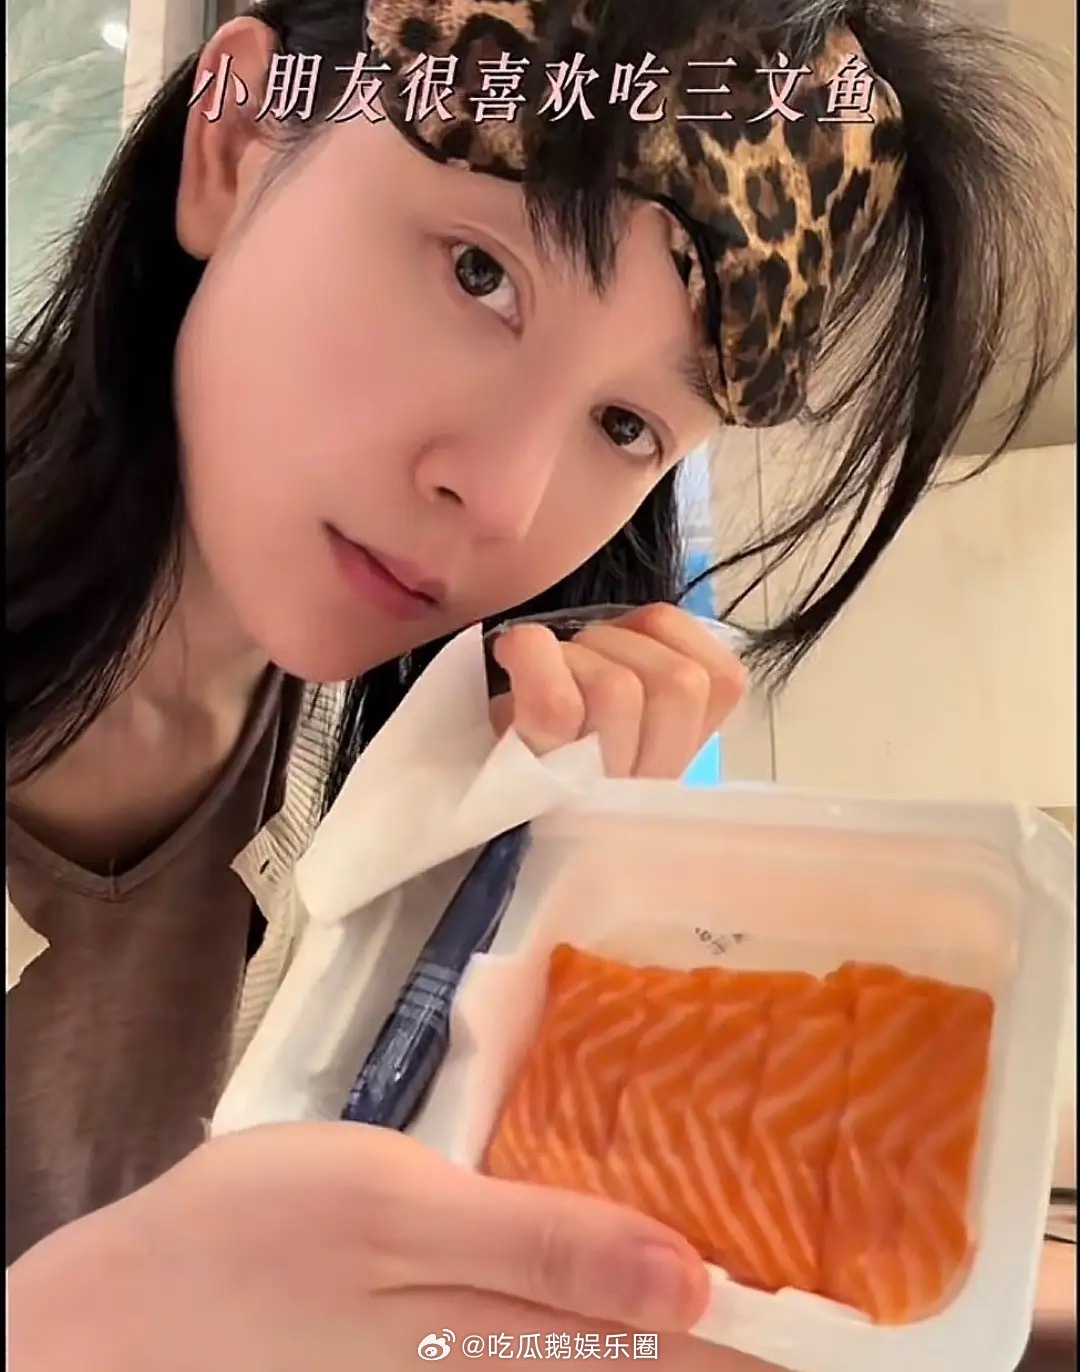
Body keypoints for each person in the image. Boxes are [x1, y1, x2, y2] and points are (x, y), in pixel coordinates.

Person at [5, 0, 1074, 1364]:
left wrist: (515, 888)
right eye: (479, 273)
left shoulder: (390, 755)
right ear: (235, 140)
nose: (504, 498)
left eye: (627, 423)